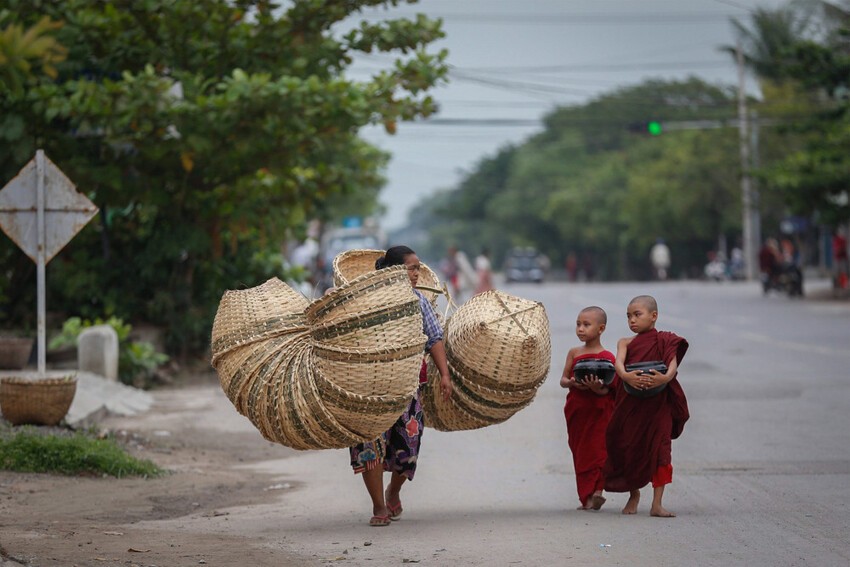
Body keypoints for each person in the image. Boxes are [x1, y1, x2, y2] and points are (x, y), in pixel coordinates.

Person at [348, 245, 453, 527]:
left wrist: (445, 374)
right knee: (370, 446)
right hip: (369, 389)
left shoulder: (419, 301)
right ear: (395, 270)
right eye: (412, 268)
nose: (417, 273)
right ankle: (379, 506)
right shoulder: (367, 301)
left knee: (408, 448)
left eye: (418, 267)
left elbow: (434, 339)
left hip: (408, 388)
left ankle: (393, 491)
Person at [604, 295, 689, 517]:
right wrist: (626, 377)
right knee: (630, 447)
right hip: (632, 402)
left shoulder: (665, 340)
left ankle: (657, 503)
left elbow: (672, 363)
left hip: (658, 404)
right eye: (628, 316)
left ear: (654, 316)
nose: (632, 320)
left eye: (637, 315)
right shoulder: (626, 342)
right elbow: (619, 364)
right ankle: (634, 494)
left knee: (661, 450)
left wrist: (665, 379)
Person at [559, 306, 617, 511]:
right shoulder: (574, 352)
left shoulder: (608, 357)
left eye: (586, 324)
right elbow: (563, 380)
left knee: (600, 450)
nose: (580, 329)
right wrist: (573, 383)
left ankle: (597, 492)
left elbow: (610, 389)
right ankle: (586, 497)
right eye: (578, 324)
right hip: (578, 410)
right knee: (581, 451)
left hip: (599, 410)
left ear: (601, 328)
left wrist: (597, 389)